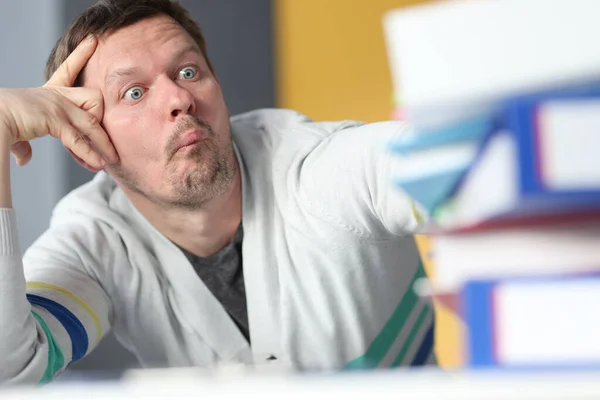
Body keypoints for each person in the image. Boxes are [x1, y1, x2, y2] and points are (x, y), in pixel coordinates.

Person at [0, 0, 434, 384]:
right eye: (134, 92)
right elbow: (11, 370)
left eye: (188, 72)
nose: (178, 98)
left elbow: (446, 163)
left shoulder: (316, 168)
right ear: (88, 144)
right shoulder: (94, 239)